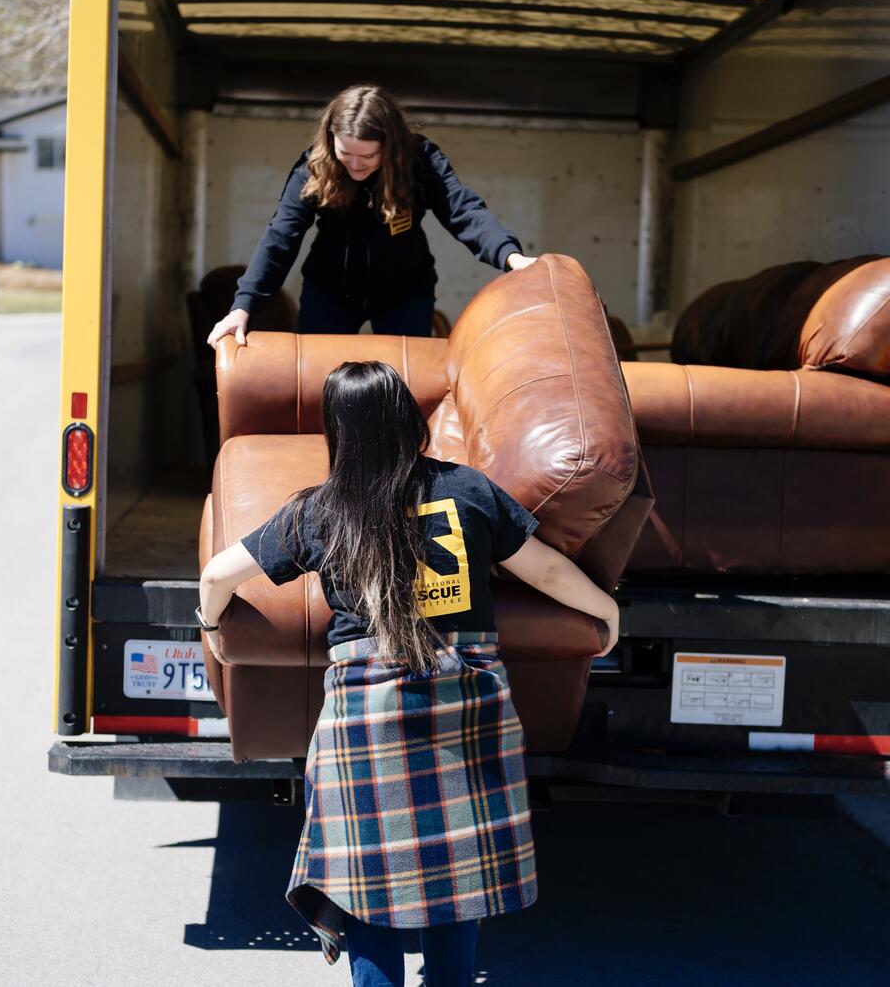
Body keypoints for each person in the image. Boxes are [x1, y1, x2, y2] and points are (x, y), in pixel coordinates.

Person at [198, 360, 620, 986]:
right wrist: (606, 613)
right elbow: (550, 572)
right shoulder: (470, 490)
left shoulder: (319, 512)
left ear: (336, 430)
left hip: (366, 717)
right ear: (405, 418)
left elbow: (216, 577)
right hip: (465, 698)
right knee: (459, 867)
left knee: (368, 883)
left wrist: (211, 629)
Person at [206, 85, 537, 346]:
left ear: (390, 146)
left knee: (404, 385)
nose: (354, 164)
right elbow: (281, 237)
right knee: (321, 381)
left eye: (367, 155)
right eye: (345, 152)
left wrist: (511, 257)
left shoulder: (420, 161)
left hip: (404, 293)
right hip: (329, 292)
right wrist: (243, 306)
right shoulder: (314, 168)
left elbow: (462, 209)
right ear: (330, 139)